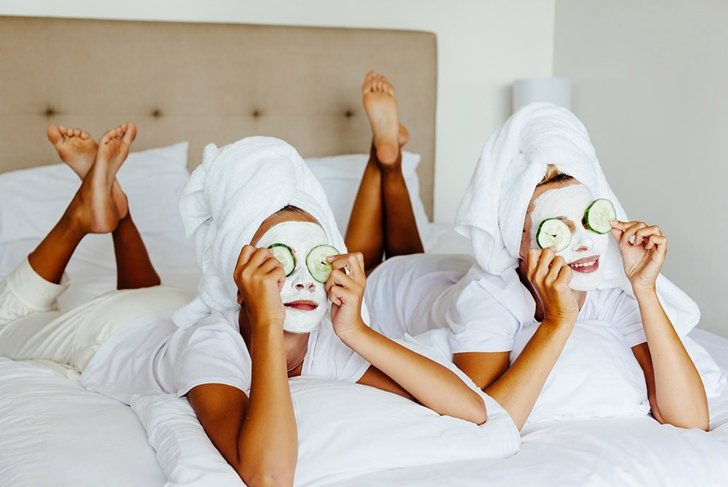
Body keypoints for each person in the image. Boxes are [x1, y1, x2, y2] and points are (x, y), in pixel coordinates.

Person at [0, 99, 485, 487]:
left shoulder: (328, 342)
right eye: (277, 260)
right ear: (241, 278)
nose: (298, 281)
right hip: (114, 332)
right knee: (8, 320)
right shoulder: (214, 344)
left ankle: (119, 217)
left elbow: (471, 408)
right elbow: (269, 476)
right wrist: (270, 322)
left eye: (314, 259)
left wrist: (356, 330)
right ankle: (83, 218)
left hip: (169, 313)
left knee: (153, 296)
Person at [351, 100, 710, 432]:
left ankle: (389, 162)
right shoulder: (488, 297)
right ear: (518, 242)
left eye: (588, 221)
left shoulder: (609, 287)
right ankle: (386, 163)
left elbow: (691, 419)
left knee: (410, 250)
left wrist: (644, 289)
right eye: (559, 230)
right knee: (370, 263)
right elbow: (489, 420)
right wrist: (558, 322)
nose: (584, 244)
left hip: (441, 275)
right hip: (398, 289)